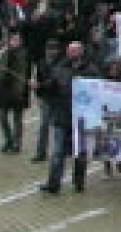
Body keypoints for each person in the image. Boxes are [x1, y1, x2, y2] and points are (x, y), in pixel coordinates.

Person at [39, 41, 99, 194]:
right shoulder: (59, 69)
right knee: (58, 153)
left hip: (81, 120)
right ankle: (54, 183)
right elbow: (51, 87)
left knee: (80, 153)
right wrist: (40, 87)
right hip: (62, 116)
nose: (72, 53)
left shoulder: (91, 71)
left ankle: (79, 181)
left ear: (81, 52)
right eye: (70, 50)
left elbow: (97, 92)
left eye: (75, 50)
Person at [0, 32, 30, 154]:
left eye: (17, 40)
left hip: (17, 89)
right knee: (2, 118)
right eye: (13, 40)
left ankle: (16, 143)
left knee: (17, 119)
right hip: (3, 89)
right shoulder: (2, 53)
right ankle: (8, 139)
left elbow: (23, 71)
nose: (15, 42)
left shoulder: (23, 53)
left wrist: (21, 90)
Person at [31, 39, 62, 162]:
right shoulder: (41, 63)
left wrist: (40, 85)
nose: (51, 52)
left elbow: (56, 81)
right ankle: (41, 152)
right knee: (44, 125)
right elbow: (38, 78)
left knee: (57, 126)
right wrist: (38, 93)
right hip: (46, 98)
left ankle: (58, 152)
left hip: (58, 98)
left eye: (53, 49)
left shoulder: (62, 63)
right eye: (49, 49)